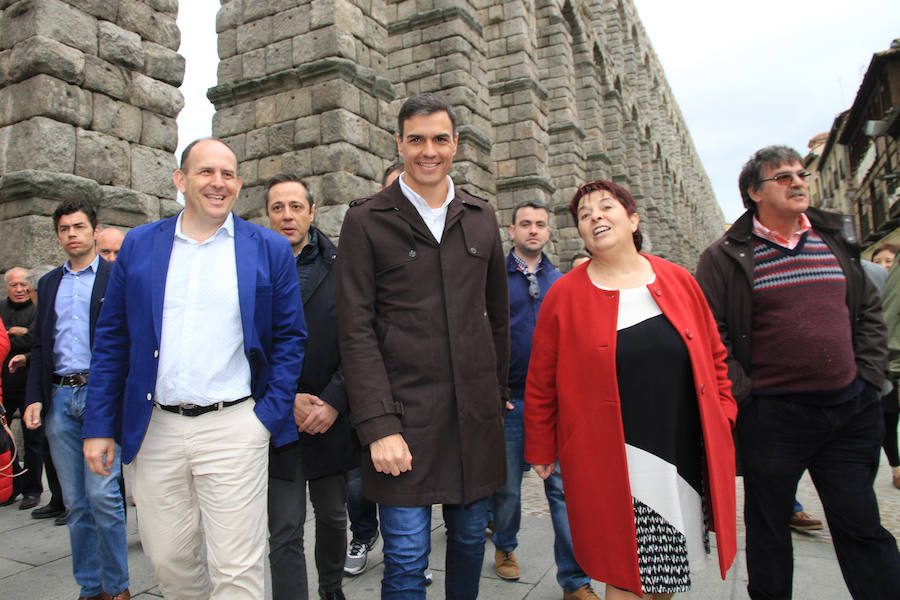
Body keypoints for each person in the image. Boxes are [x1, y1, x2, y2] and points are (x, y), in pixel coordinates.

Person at [82, 138, 307, 600]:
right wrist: (100, 425)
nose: (218, 183)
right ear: (181, 181)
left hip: (235, 428)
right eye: (206, 172)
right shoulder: (141, 245)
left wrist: (264, 419)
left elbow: (289, 339)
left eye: (228, 174)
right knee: (169, 560)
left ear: (239, 185)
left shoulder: (268, 249)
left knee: (238, 568)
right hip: (156, 429)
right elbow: (112, 340)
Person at [695, 145, 900, 599]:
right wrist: (747, 396)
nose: (798, 181)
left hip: (848, 409)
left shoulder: (833, 239)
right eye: (782, 177)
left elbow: (867, 311)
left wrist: (868, 378)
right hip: (773, 417)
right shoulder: (724, 256)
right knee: (768, 529)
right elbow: (714, 333)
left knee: (861, 523)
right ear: (754, 192)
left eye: (800, 173)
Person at [525, 180, 738, 599]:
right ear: (581, 234)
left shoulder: (678, 280)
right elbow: (541, 379)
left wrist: (724, 413)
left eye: (606, 207)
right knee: (626, 574)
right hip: (614, 455)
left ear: (633, 219)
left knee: (664, 572)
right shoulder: (564, 295)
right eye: (584, 215)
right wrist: (541, 446)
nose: (595, 217)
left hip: (678, 449)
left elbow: (715, 356)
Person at [336, 93, 510, 599]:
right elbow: (356, 330)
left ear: (456, 144)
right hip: (401, 422)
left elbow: (496, 319)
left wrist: (494, 399)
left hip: (472, 422)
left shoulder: (481, 217)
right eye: (416, 139)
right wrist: (377, 426)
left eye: (439, 139)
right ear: (399, 143)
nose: (427, 150)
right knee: (408, 559)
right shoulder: (366, 220)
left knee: (470, 545)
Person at [22, 199, 129, 600]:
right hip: (60, 398)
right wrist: (35, 397)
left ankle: (117, 586)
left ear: (94, 231)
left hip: (102, 397)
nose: (72, 234)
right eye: (65, 228)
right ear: (59, 235)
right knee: (75, 504)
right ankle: (91, 586)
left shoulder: (116, 277)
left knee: (103, 497)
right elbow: (39, 346)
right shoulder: (49, 284)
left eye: (79, 227)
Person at [490, 200, 597, 600]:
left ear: (548, 231)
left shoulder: (562, 280)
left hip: (557, 405)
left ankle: (575, 580)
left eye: (540, 224)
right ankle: (505, 545)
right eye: (525, 224)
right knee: (508, 488)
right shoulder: (495, 279)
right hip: (512, 401)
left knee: (564, 493)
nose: (533, 230)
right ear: (512, 231)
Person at [265, 172, 358, 600]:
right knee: (284, 526)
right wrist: (285, 401)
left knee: (334, 518)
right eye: (278, 208)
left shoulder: (343, 266)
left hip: (329, 416)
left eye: (296, 207)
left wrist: (335, 401)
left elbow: (357, 340)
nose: (287, 216)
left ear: (312, 211)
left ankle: (331, 588)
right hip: (277, 421)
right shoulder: (252, 268)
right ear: (267, 215)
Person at [343, 161, 399, 578]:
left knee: (403, 484)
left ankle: (405, 553)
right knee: (359, 483)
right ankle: (364, 533)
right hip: (362, 385)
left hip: (407, 385)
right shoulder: (361, 233)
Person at [0, 268, 42, 510]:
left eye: (23, 285)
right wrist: (17, 334)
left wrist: (21, 336)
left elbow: (37, 340)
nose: (19, 289)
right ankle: (12, 484)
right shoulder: (1, 307)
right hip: (4, 385)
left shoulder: (36, 308)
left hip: (29, 384)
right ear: (7, 287)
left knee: (33, 438)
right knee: (4, 440)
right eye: (14, 285)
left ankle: (32, 490)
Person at [876, 245, 900, 490]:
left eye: (888, 260)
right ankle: (897, 467)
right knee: (888, 420)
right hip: (888, 367)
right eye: (880, 260)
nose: (885, 264)